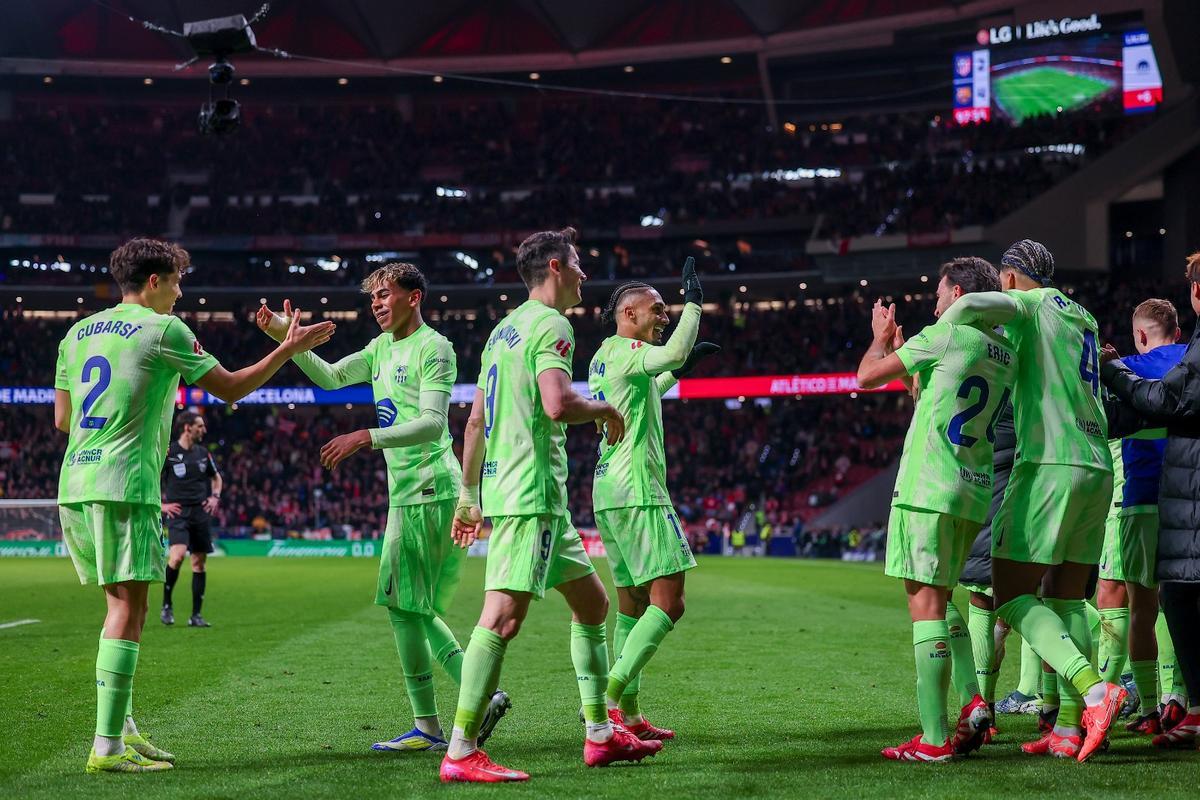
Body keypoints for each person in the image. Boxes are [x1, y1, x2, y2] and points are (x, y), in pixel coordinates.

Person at [54, 237, 333, 774]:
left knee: (128, 605)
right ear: (154, 281)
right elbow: (230, 388)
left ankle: (123, 728)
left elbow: (63, 420)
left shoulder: (75, 333)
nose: (181, 293)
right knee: (124, 608)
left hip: (75, 482)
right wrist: (286, 351)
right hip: (123, 482)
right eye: (177, 282)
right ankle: (107, 746)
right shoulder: (164, 330)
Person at [256, 263, 508, 752]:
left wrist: (364, 436)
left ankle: (441, 720)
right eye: (371, 296)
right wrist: (284, 340)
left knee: (403, 605)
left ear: (414, 297)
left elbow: (435, 424)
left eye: (384, 294)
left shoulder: (434, 348)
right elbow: (329, 379)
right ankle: (461, 707)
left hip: (429, 488)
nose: (375, 303)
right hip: (409, 493)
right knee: (410, 607)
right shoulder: (379, 349)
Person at [441, 227, 660, 783]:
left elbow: (473, 422)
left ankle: (600, 735)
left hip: (528, 495)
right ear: (557, 267)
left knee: (592, 605)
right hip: (531, 492)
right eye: (581, 265)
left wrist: (469, 497)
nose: (587, 275)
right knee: (502, 619)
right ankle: (461, 751)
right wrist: (606, 408)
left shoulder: (501, 332)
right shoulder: (553, 325)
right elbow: (558, 405)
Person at [938, 239, 1125, 761]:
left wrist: (943, 326)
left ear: (1014, 278)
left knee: (1010, 593)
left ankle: (1093, 689)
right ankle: (1068, 729)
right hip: (1096, 463)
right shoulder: (1082, 316)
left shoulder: (1028, 301)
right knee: (1065, 600)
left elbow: (973, 304)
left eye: (1003, 281)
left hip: (1049, 462)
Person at [857, 256, 1015, 762]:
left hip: (928, 488)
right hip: (972, 490)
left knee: (923, 604)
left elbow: (866, 377)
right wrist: (909, 351)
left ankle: (931, 739)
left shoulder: (945, 334)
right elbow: (930, 391)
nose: (937, 301)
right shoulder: (1003, 350)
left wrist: (882, 338)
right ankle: (973, 701)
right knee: (944, 598)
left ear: (958, 295)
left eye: (941, 293)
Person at [588, 257, 721, 740]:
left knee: (633, 605)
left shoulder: (604, 355)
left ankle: (631, 714)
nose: (665, 316)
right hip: (639, 491)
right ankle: (607, 699)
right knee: (670, 601)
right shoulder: (628, 349)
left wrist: (682, 370)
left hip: (607, 491)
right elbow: (667, 356)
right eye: (658, 309)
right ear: (629, 314)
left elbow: (647, 387)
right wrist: (694, 306)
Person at [1100, 251, 1200, 748]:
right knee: (1183, 599)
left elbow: (1108, 427)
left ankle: (1146, 702)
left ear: (1141, 335)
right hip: (1189, 498)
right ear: (1177, 332)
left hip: (1141, 497)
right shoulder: (1190, 361)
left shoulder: (1128, 369)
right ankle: (1181, 697)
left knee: (1143, 604)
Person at [160, 411, 221, 628]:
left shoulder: (204, 454)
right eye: (200, 426)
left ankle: (196, 615)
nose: (203, 430)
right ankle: (166, 605)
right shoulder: (169, 453)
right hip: (178, 513)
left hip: (200, 513)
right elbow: (149, 478)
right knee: (176, 557)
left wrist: (215, 497)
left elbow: (216, 478)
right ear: (187, 428)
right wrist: (162, 505)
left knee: (199, 563)